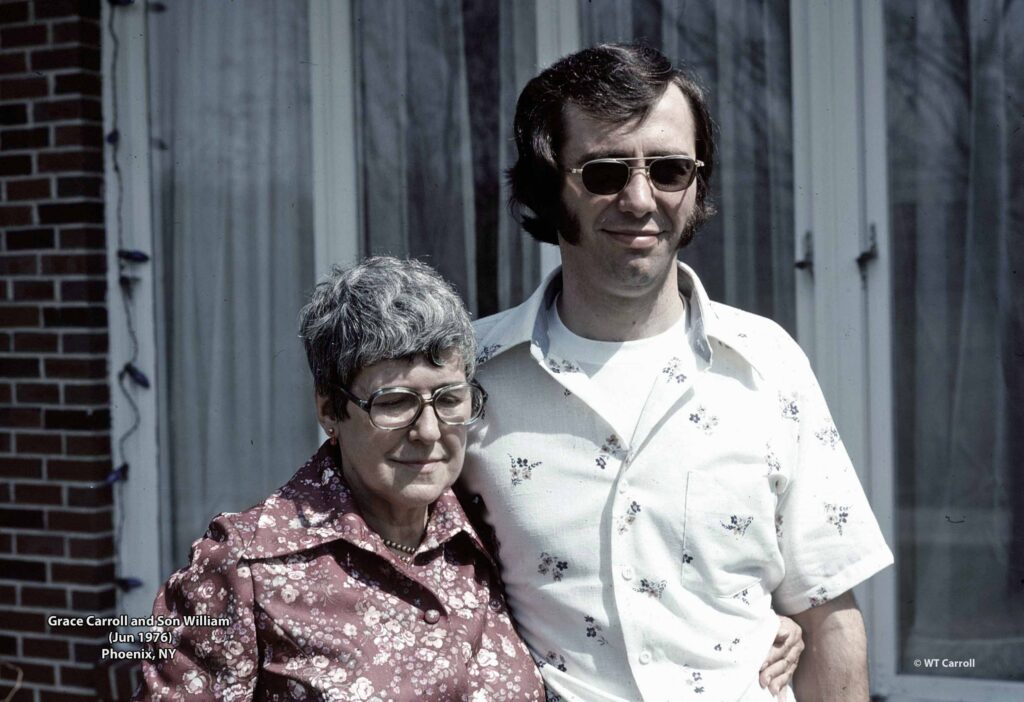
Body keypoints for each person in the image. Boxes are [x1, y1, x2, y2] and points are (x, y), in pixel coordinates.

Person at [459, 43, 894, 701]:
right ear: (550, 186)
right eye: (605, 173)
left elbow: (826, 609)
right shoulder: (466, 378)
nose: (640, 200)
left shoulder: (767, 362)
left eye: (668, 170)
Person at [134, 257, 545, 701]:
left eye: (448, 398)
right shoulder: (244, 566)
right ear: (330, 409)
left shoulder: (489, 531)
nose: (428, 431)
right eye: (394, 403)